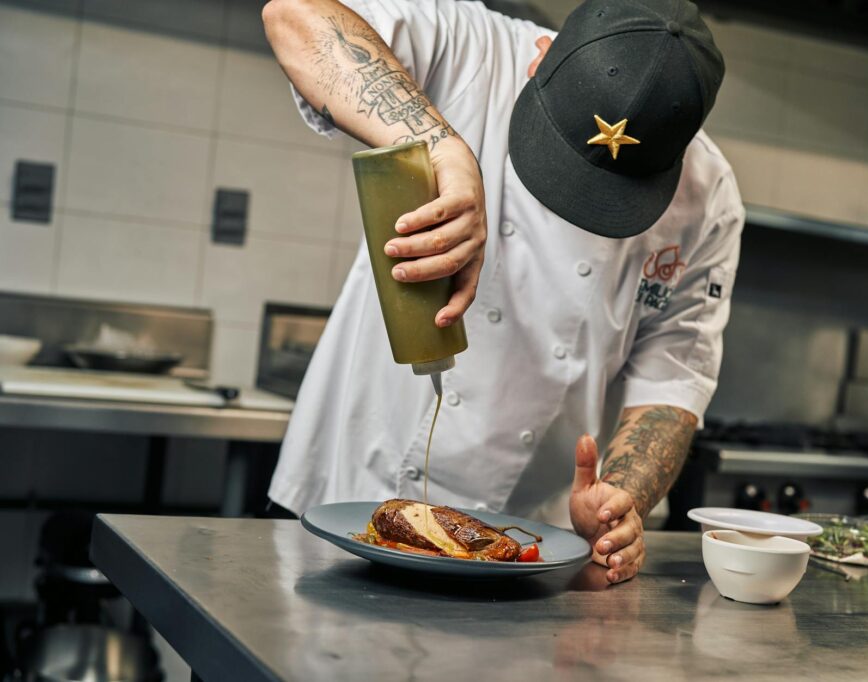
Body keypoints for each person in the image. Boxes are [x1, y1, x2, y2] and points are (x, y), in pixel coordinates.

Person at [262, 0, 743, 584]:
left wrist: (619, 502)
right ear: (540, 57)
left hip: (527, 547)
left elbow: (671, 381)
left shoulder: (708, 200)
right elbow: (293, 17)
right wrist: (437, 143)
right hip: (343, 496)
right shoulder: (473, 48)